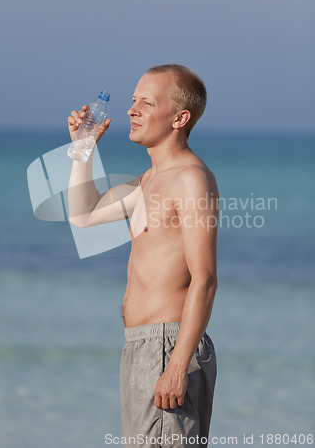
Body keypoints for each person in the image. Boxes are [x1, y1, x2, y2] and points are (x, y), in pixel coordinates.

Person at [67, 64, 219, 447]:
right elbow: (83, 215)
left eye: (146, 103)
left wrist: (177, 364)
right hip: (139, 346)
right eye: (134, 100)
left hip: (168, 346)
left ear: (179, 118)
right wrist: (82, 151)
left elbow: (205, 278)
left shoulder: (190, 178)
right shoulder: (149, 180)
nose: (132, 110)